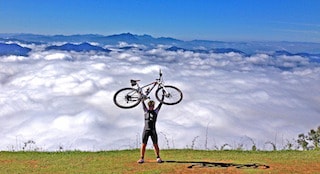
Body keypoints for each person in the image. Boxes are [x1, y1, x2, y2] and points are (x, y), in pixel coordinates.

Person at [137, 98, 164, 164]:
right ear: (148, 106)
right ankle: (142, 158)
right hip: (146, 130)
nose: (151, 107)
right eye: (150, 106)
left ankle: (158, 157)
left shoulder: (156, 111)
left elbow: (160, 104)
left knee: (155, 144)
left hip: (153, 130)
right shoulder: (146, 111)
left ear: (153, 106)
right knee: (143, 144)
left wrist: (163, 96)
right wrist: (141, 97)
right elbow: (142, 103)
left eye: (152, 106)